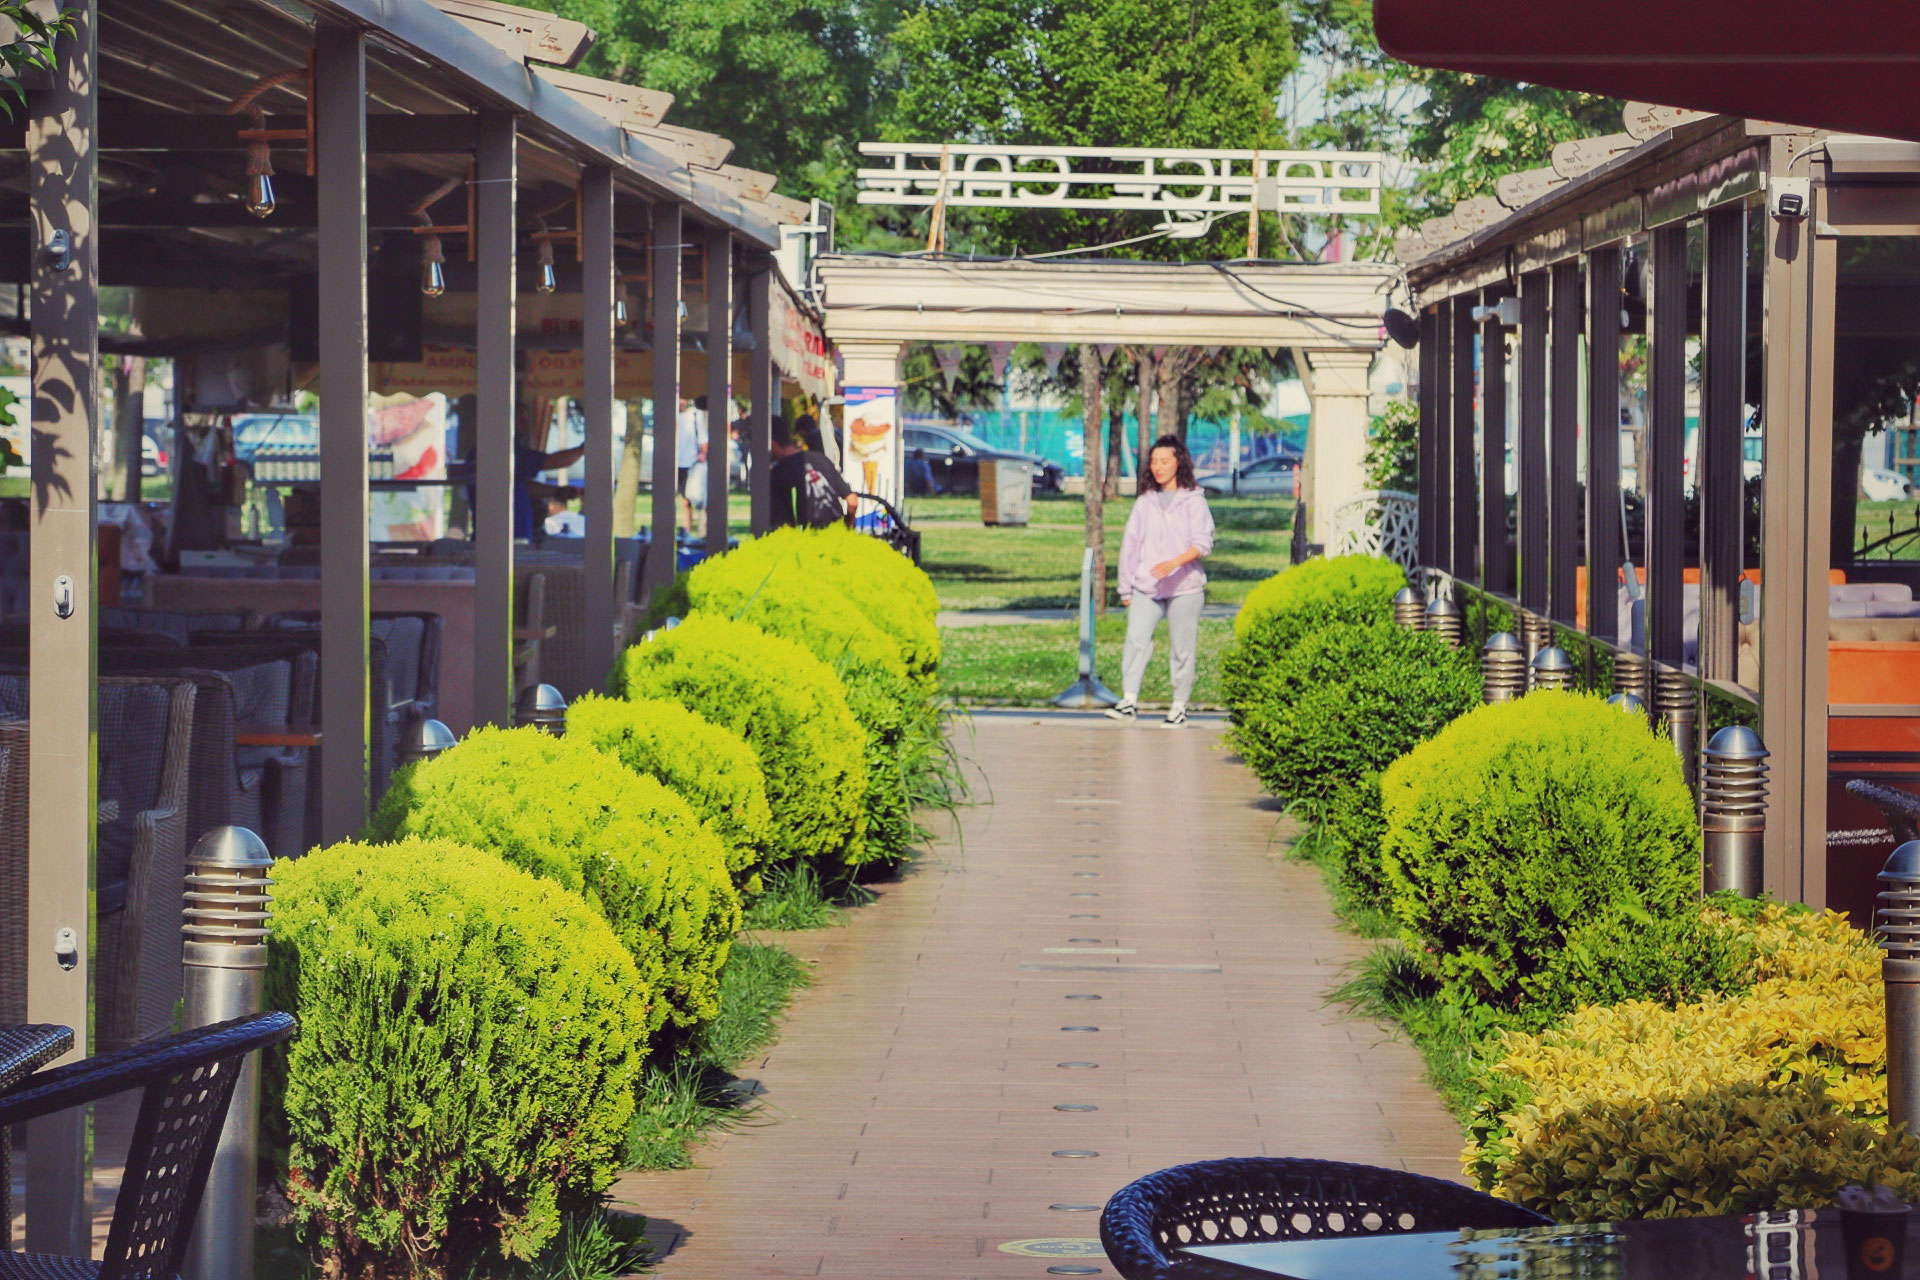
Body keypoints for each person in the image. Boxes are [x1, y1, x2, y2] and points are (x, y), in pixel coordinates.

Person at [1106, 434, 1215, 727]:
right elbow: (1131, 546)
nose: (1158, 467)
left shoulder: (1193, 501)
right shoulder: (1145, 503)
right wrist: (1125, 587)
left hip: (1185, 588)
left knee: (1182, 648)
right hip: (1147, 587)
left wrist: (1174, 564)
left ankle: (1179, 705)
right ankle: (1129, 699)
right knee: (1136, 640)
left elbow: (1203, 543)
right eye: (1154, 461)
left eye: (1164, 461)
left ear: (1178, 463)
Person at [769, 416, 857, 529]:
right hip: (837, 535)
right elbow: (852, 500)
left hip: (804, 540)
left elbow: (783, 523)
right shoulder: (822, 459)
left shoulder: (777, 473)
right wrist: (848, 525)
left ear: (772, 444)